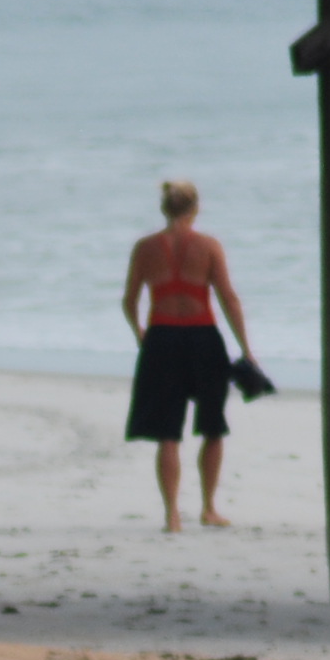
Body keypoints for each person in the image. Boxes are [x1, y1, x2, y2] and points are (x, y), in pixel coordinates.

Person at [122, 180, 253, 533]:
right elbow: (228, 298)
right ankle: (209, 508)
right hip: (202, 338)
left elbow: (129, 300)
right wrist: (246, 348)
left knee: (168, 432)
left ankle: (172, 515)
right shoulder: (208, 246)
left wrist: (140, 333)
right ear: (195, 208)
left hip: (161, 338)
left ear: (165, 208)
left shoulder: (144, 247)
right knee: (212, 426)